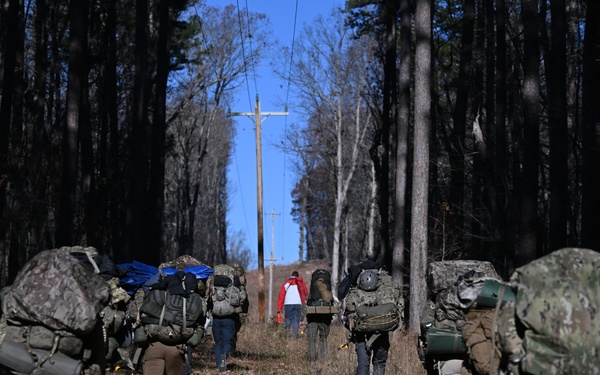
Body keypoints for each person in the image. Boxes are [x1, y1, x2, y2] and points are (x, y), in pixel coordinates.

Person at [339, 261, 392, 375]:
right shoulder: (385, 284)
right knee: (379, 363)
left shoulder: (354, 288)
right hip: (382, 330)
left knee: (363, 363)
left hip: (361, 333)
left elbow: (348, 312)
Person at [306, 269, 334, 361]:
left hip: (313, 315)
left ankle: (311, 358)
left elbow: (309, 300)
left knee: (311, 338)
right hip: (325, 315)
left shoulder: (313, 289)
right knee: (323, 338)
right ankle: (321, 359)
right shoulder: (328, 288)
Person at [277, 270, 308, 339]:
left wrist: (279, 308)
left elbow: (281, 296)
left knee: (288, 319)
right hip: (298, 303)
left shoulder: (286, 283)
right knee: (296, 320)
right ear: (298, 276)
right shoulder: (301, 283)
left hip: (288, 304)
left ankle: (287, 335)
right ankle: (295, 337)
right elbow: (306, 292)